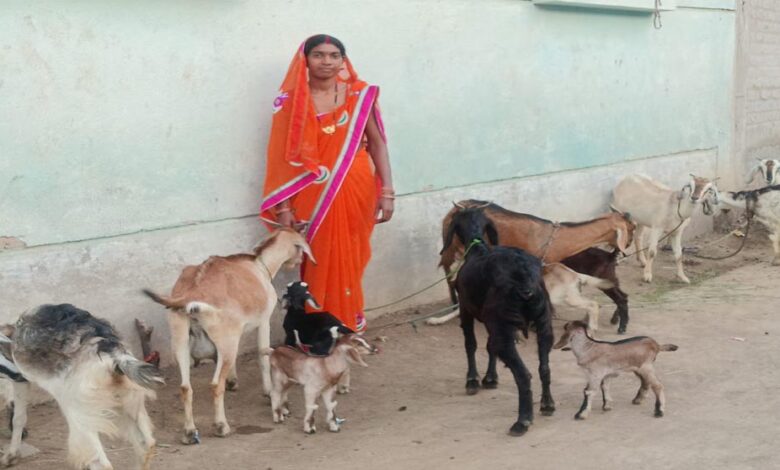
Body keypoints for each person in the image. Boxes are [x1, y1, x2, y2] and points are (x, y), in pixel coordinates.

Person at [260, 34, 394, 332]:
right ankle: (319, 329)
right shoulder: (291, 102)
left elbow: (378, 144)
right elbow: (281, 159)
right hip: (311, 192)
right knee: (317, 258)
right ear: (305, 60)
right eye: (319, 55)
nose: (327, 61)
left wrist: (387, 191)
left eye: (334, 55)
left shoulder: (360, 96)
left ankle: (347, 325)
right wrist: (283, 208)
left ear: (343, 61)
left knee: (352, 254)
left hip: (357, 185)